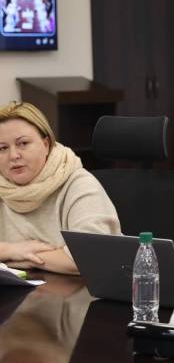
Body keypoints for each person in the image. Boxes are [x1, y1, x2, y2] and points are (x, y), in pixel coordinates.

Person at [0, 101, 120, 274]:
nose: (13, 155)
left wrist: (25, 257)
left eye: (23, 143)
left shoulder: (79, 184)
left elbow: (90, 256)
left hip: (80, 289)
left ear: (46, 144)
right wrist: (11, 251)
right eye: (2, 148)